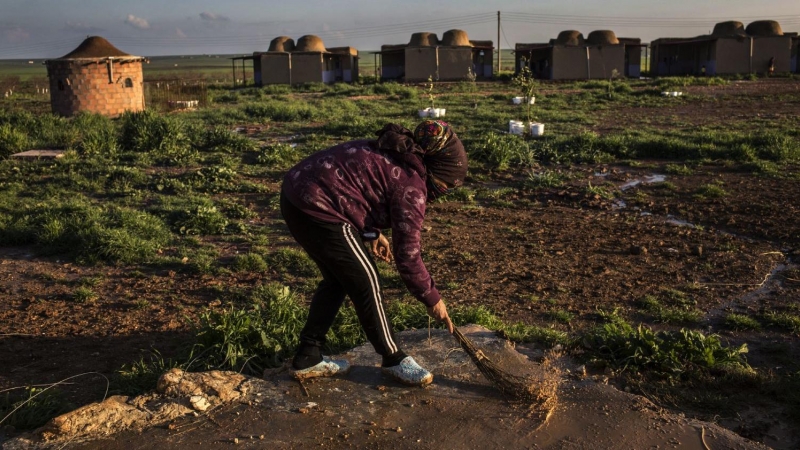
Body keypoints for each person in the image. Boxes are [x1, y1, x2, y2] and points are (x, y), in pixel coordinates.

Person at [279, 120, 467, 386]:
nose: (444, 191)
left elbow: (360, 185)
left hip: (296, 195)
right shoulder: (412, 186)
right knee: (367, 279)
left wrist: (371, 232)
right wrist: (432, 298)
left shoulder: (399, 154)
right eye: (446, 184)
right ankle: (393, 358)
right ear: (437, 171)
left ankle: (308, 356)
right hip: (318, 207)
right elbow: (408, 256)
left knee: (338, 279)